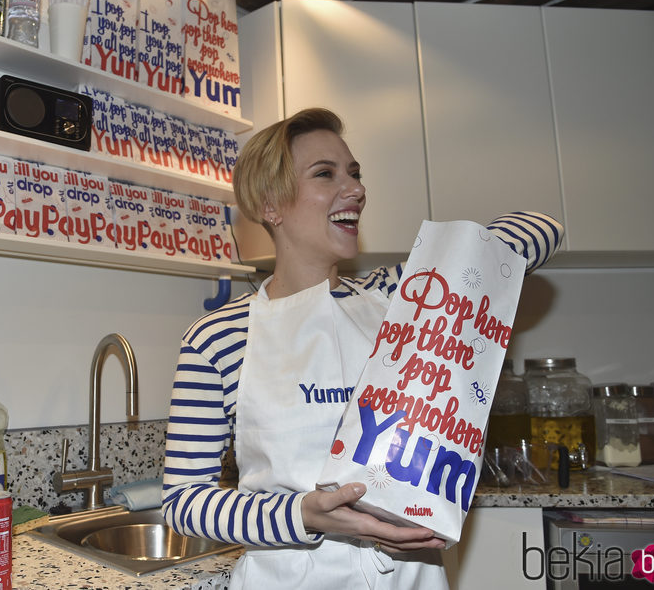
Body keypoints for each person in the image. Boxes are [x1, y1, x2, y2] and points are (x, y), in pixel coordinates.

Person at [161, 108, 563, 589]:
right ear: (271, 204)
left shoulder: (407, 295)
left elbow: (544, 229)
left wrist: (461, 256)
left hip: (411, 577)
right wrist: (304, 515)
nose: (355, 189)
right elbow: (184, 502)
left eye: (354, 173)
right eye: (325, 174)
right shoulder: (217, 336)